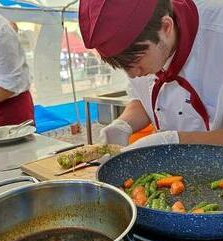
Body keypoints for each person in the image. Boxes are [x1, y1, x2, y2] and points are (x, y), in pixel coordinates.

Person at [79, 0, 223, 149]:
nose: (133, 75)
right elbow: (142, 99)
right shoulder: (143, 48)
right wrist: (123, 124)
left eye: (137, 60)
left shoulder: (218, 32)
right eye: (124, 67)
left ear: (166, 27)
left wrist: (175, 140)